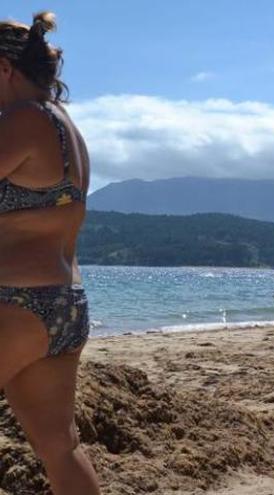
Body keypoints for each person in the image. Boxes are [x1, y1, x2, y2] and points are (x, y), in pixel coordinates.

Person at [0, 12, 101, 494]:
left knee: (57, 445)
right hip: (64, 303)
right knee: (60, 447)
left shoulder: (20, 120)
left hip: (15, 303)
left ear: (3, 69)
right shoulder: (66, 127)